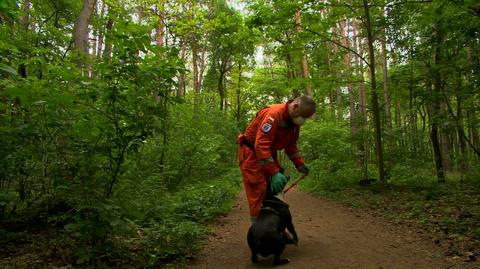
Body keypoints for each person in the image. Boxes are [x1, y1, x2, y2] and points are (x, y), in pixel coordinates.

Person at [237, 95, 316, 223]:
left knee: (276, 188)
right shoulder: (273, 115)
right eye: (302, 116)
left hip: (268, 154)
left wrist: (299, 164)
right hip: (251, 153)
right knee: (259, 188)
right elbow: (260, 145)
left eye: (305, 118)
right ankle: (258, 229)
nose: (302, 120)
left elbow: (291, 145)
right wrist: (273, 172)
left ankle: (275, 225)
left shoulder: (294, 122)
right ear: (295, 107)